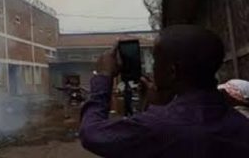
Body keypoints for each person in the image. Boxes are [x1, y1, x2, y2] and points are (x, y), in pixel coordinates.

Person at [79, 25, 249, 157]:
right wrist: (161, 107)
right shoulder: (240, 124)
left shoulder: (157, 127)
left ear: (171, 72)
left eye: (155, 61)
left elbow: (92, 133)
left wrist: (103, 76)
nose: (153, 68)